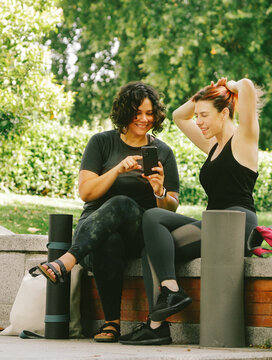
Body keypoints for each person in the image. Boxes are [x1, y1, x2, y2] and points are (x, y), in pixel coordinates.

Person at [119, 77, 263, 345]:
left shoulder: (244, 140)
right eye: (198, 116)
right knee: (151, 237)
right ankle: (159, 321)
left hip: (236, 224)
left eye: (205, 115)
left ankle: (167, 302)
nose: (199, 121)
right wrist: (201, 95)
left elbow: (247, 87)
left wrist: (228, 85)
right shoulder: (213, 146)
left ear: (225, 112)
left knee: (152, 222)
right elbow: (178, 116)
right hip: (213, 223)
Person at [34, 82, 180, 342]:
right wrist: (117, 171)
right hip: (92, 236)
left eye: (149, 113)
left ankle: (66, 261)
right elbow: (86, 193)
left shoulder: (164, 152)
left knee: (123, 203)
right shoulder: (101, 143)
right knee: (107, 238)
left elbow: (172, 207)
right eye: (138, 113)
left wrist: (159, 190)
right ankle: (111, 323)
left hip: (137, 235)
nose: (144, 119)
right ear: (125, 112)